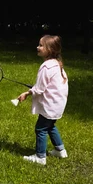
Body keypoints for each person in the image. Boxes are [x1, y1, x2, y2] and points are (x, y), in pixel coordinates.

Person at [17, 35, 68, 165]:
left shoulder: (46, 67)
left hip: (50, 105)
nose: (37, 47)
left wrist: (27, 93)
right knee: (50, 126)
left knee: (41, 129)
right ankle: (60, 150)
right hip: (58, 104)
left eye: (41, 45)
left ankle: (40, 157)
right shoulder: (57, 64)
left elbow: (39, 88)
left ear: (50, 49)